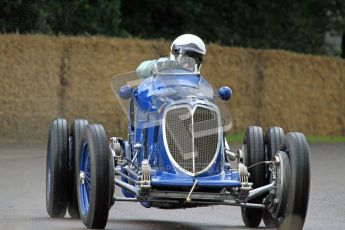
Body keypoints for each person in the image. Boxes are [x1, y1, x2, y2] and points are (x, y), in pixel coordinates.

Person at [136, 34, 206, 79]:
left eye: (193, 61)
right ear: (174, 54)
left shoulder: (198, 79)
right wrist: (161, 65)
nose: (188, 64)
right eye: (185, 59)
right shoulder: (164, 64)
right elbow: (140, 70)